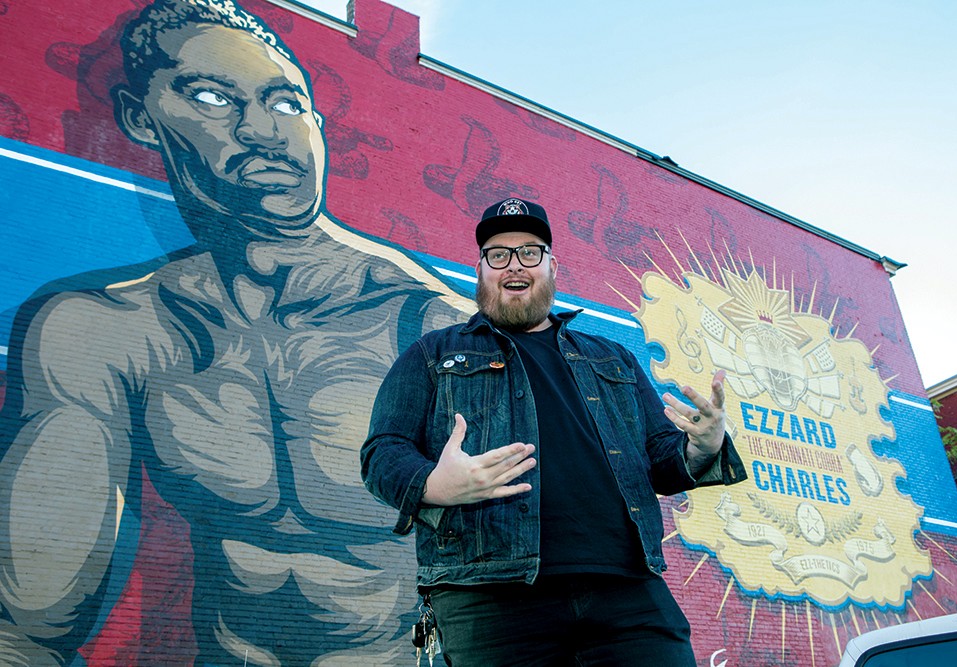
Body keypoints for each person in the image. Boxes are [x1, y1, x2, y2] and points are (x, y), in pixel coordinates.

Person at [0, 0, 469, 664]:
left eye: (285, 103)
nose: (263, 131)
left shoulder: (433, 334)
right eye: (215, 97)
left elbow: (533, 579)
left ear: (317, 124)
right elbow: (30, 622)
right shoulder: (110, 331)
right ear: (141, 115)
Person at [361, 197, 748, 666]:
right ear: (481, 269)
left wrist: (701, 447)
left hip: (629, 592)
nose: (513, 265)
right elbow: (382, 452)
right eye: (498, 254)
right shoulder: (431, 354)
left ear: (552, 266)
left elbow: (661, 463)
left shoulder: (612, 359)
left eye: (530, 252)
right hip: (490, 598)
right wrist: (434, 485)